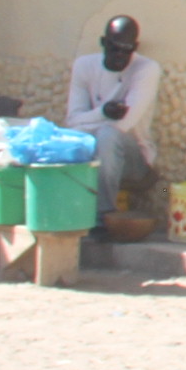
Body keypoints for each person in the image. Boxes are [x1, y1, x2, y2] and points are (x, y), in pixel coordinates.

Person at [63, 15, 163, 219]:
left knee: (108, 135)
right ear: (103, 42)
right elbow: (72, 120)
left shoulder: (146, 69)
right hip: (92, 151)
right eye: (114, 48)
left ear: (135, 48)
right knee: (64, 142)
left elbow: (123, 125)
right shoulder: (84, 66)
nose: (119, 56)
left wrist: (88, 120)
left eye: (126, 50)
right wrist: (103, 112)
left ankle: (104, 216)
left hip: (132, 159)